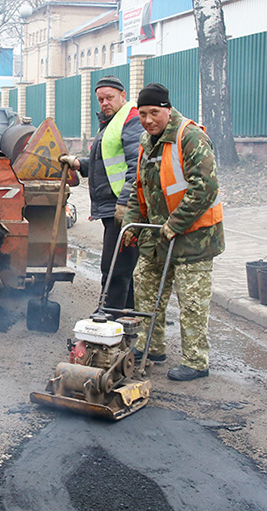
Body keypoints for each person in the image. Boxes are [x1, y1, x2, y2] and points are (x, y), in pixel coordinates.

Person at [122, 83, 224, 381]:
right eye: (142, 114)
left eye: (154, 112)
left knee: (191, 300)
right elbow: (139, 189)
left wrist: (173, 225)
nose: (149, 119)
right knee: (144, 285)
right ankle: (151, 346)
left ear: (168, 109)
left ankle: (196, 361)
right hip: (157, 236)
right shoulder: (146, 141)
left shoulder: (189, 137)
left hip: (194, 238)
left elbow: (204, 188)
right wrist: (132, 221)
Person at [59, 76, 143, 313]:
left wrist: (126, 203)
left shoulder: (130, 120)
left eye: (110, 98)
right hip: (114, 206)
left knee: (114, 264)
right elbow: (107, 162)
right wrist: (79, 164)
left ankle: (108, 314)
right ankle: (127, 314)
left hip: (124, 208)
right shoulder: (112, 122)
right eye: (101, 99)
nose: (105, 103)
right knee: (122, 263)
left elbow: (136, 165)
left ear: (123, 96)